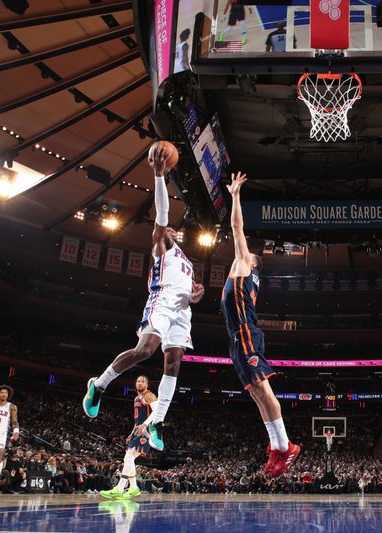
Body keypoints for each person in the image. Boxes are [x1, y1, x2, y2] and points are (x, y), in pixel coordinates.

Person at [83, 144, 204, 451]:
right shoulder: (161, 244)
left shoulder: (187, 262)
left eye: (175, 230)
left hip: (182, 311)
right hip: (161, 301)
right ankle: (99, 385)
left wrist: (197, 294)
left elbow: (193, 291)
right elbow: (162, 214)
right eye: (169, 229)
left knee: (174, 364)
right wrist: (159, 175)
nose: (172, 231)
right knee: (145, 350)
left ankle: (158, 421)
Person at [222, 171, 300, 478]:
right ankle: (276, 446)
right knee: (254, 390)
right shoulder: (245, 275)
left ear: (251, 262)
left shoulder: (245, 263)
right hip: (236, 335)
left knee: (263, 388)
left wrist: (235, 196)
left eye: (244, 254)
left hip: (245, 332)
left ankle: (287, 446)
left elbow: (236, 226)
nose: (239, 254)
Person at [101, 376, 156, 500]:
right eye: (138, 381)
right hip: (138, 430)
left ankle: (120, 488)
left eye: (142, 381)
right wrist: (132, 432)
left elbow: (157, 411)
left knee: (129, 457)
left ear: (147, 384)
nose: (140, 383)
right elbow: (138, 420)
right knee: (128, 459)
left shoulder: (149, 395)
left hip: (147, 431)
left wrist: (145, 424)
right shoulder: (137, 398)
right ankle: (134, 487)